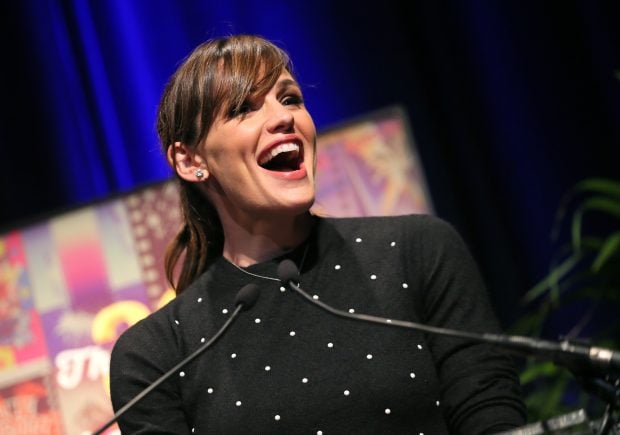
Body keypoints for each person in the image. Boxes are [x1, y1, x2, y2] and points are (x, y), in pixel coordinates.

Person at [109, 34, 526, 434]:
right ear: (190, 160)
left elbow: (491, 416)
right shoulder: (155, 355)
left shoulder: (417, 250)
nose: (283, 117)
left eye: (290, 99)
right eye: (243, 108)